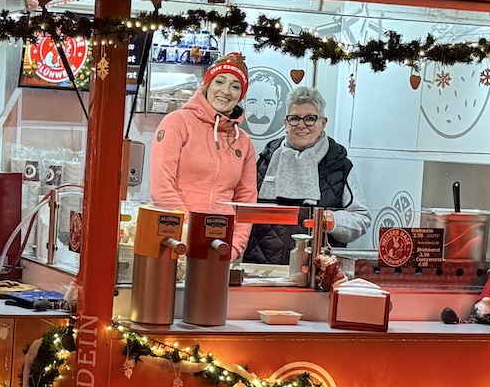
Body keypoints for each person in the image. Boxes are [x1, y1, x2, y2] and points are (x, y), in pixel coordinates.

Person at [243, 85, 369, 264]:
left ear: (323, 122)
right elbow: (245, 207)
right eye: (294, 118)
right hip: (262, 267)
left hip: (317, 269)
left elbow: (361, 218)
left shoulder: (340, 164)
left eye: (310, 118)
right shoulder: (267, 158)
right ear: (286, 123)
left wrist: (334, 220)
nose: (301, 125)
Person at [150, 52, 258, 258]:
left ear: (241, 95)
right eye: (220, 81)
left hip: (221, 248)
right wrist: (192, 234)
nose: (226, 91)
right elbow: (161, 187)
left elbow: (246, 201)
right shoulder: (177, 123)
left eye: (235, 86)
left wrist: (234, 248)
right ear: (207, 85)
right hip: (176, 242)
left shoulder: (244, 142)